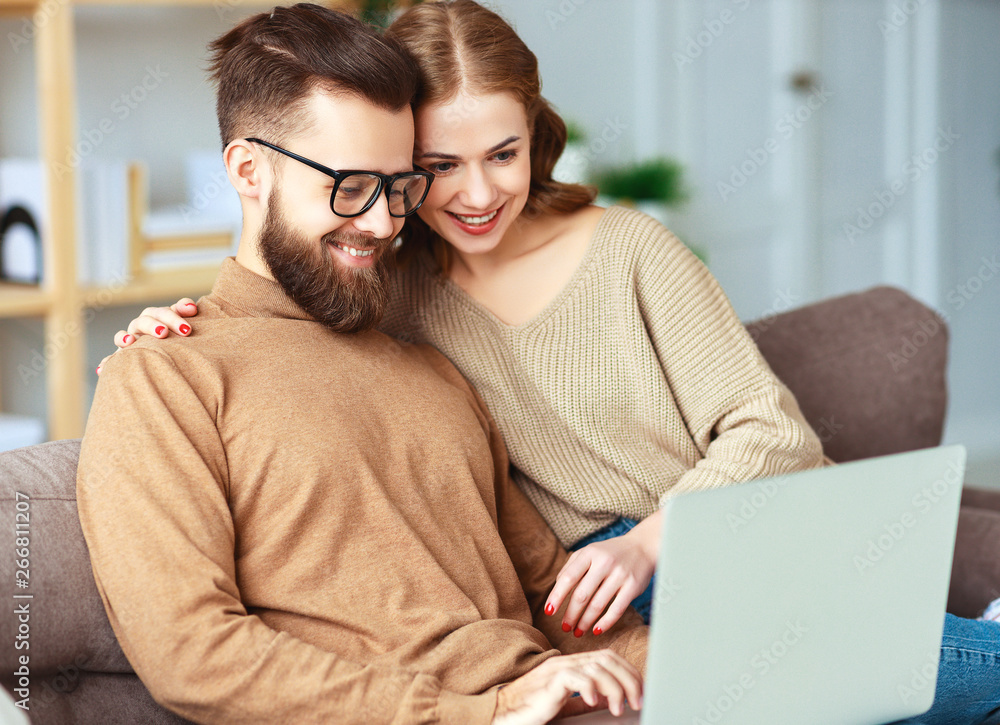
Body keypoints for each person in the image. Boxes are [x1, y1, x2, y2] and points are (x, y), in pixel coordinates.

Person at [105, 1, 1000, 722]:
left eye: (501, 154)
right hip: (568, 623)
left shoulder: (559, 279)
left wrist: (667, 617)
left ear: (536, 136)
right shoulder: (240, 346)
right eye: (429, 169)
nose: (392, 216)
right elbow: (196, 647)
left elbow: (753, 443)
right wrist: (191, 320)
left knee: (890, 666)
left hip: (711, 546)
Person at [78, 6, 648, 724]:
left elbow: (559, 596)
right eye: (348, 186)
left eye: (399, 186)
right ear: (250, 170)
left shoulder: (431, 368)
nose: (382, 222)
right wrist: (483, 711)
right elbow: (193, 651)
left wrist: (711, 672)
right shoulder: (166, 377)